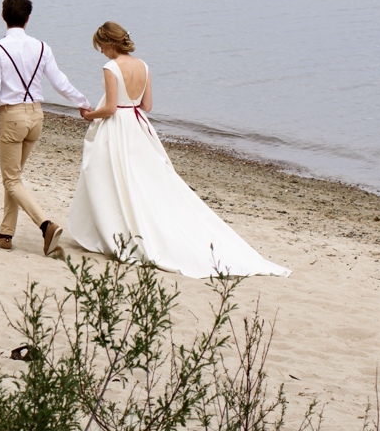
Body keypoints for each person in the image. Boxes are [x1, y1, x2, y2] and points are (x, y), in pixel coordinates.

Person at [67, 22, 289, 278]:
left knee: (112, 178)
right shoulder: (145, 67)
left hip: (117, 128)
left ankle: (115, 230)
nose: (102, 52)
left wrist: (89, 115)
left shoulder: (111, 67)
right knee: (142, 181)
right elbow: (147, 105)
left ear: (111, 43)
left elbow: (110, 109)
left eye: (102, 47)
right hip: (138, 127)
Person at [0, 0, 90, 255]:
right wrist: (83, 102)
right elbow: (60, 82)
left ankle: (46, 225)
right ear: (28, 19)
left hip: (12, 118)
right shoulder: (42, 47)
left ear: (3, 16)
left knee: (11, 179)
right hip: (36, 118)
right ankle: (5, 234)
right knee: (14, 178)